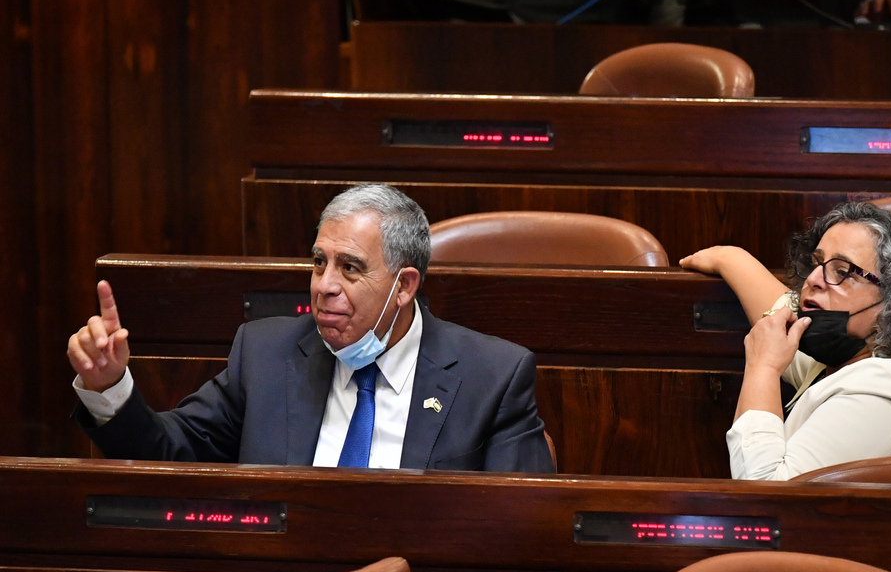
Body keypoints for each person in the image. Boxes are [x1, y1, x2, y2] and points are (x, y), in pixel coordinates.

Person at [68, 184, 554, 473]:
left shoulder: (492, 377)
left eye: (350, 268)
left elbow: (519, 529)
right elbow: (168, 454)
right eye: (320, 262)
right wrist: (110, 387)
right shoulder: (265, 354)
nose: (324, 285)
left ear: (404, 286)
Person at [679, 202, 891, 480]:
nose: (814, 279)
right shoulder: (856, 353)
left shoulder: (884, 389)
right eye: (817, 263)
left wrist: (762, 367)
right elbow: (778, 308)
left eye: (842, 273)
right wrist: (729, 258)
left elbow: (767, 493)